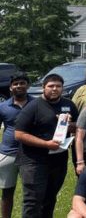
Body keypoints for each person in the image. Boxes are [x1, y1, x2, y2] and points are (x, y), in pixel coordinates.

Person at [14, 74, 79, 218]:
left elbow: (78, 127)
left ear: (62, 88)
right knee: (33, 202)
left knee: (50, 200)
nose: (54, 89)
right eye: (51, 86)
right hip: (33, 162)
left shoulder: (68, 105)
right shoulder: (33, 107)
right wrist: (46, 144)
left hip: (58, 161)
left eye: (58, 86)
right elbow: (19, 134)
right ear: (43, 87)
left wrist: (70, 125)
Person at [0, 72, 33, 218]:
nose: (19, 86)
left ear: (28, 86)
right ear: (10, 88)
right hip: (8, 153)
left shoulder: (37, 104)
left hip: (31, 154)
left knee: (31, 191)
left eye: (22, 83)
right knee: (7, 191)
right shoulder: (2, 107)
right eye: (15, 84)